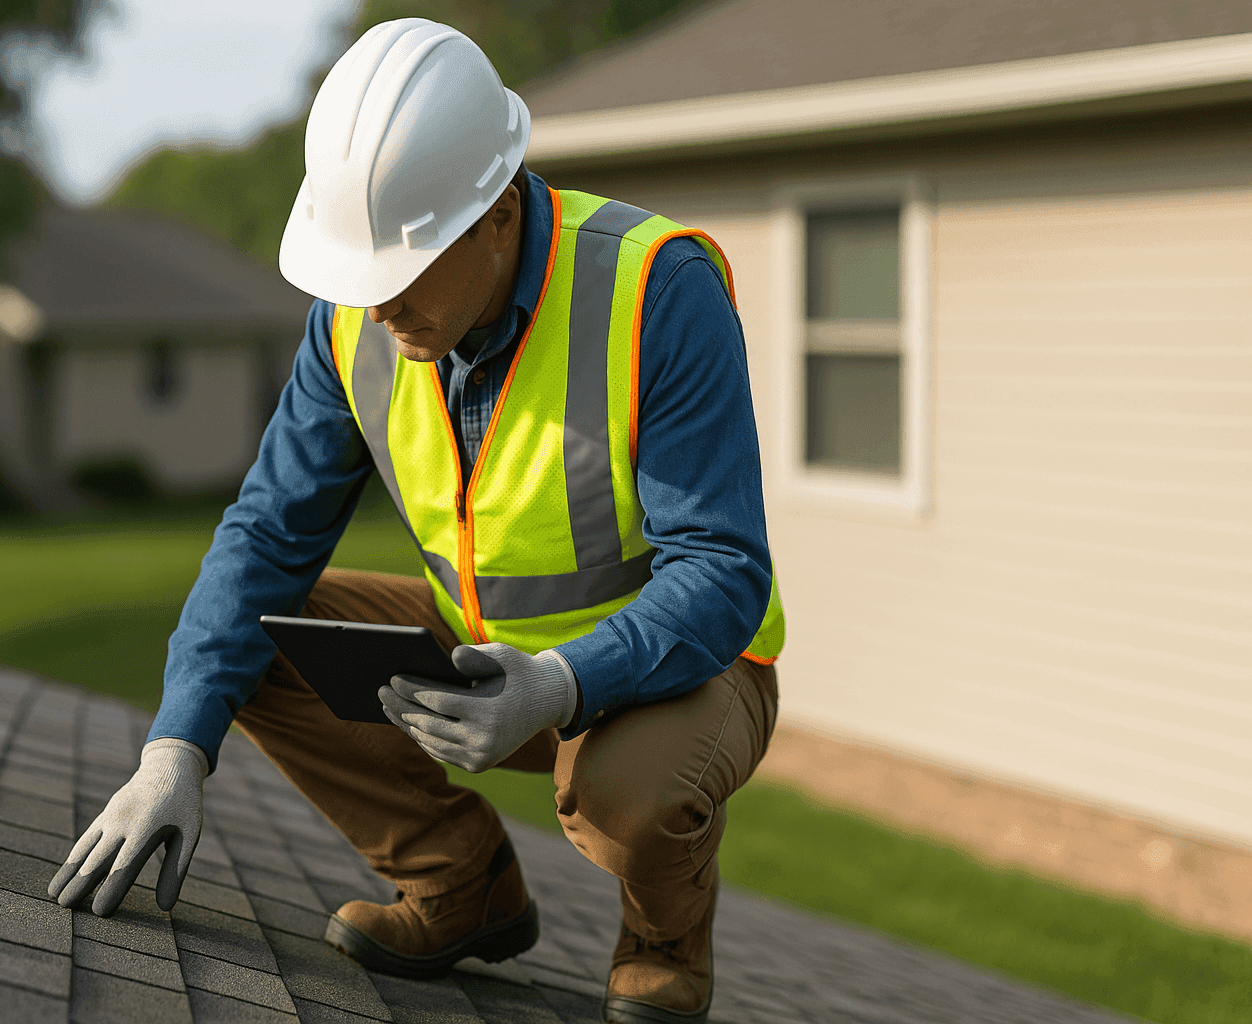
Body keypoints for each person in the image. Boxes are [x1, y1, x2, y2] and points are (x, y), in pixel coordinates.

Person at [47, 18, 784, 1024]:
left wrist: (564, 682)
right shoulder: (357, 319)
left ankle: (662, 941)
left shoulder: (657, 290)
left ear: (495, 214)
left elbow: (724, 569)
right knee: (253, 636)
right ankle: (460, 886)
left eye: (400, 269)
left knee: (631, 800)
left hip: (675, 674)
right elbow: (265, 536)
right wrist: (174, 750)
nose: (379, 305)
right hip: (484, 655)